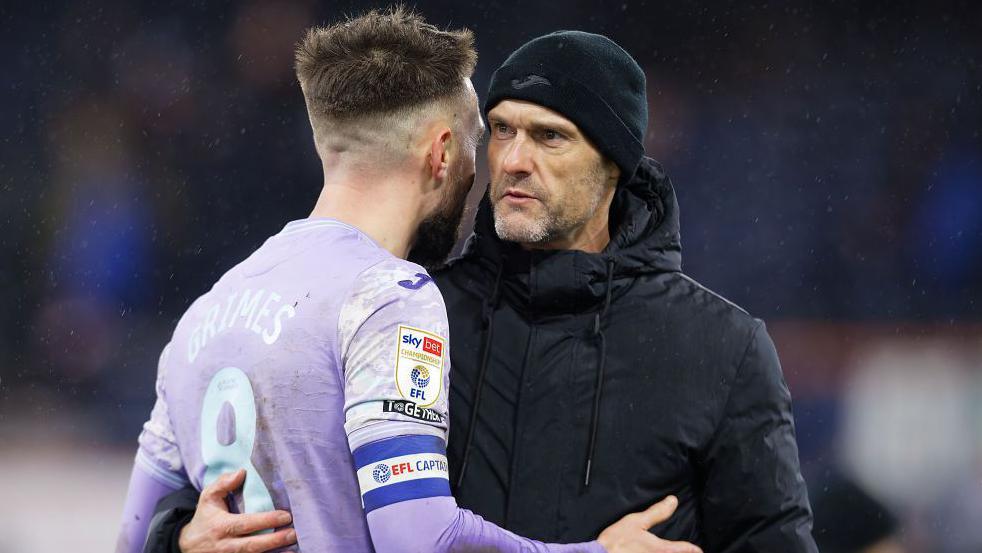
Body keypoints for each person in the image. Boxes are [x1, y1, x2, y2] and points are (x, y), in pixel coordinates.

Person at [149, 28, 817, 553]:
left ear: (614, 161)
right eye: (501, 129)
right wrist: (178, 539)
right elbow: (274, 476)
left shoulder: (720, 348)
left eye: (550, 136)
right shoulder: (406, 309)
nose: (514, 160)